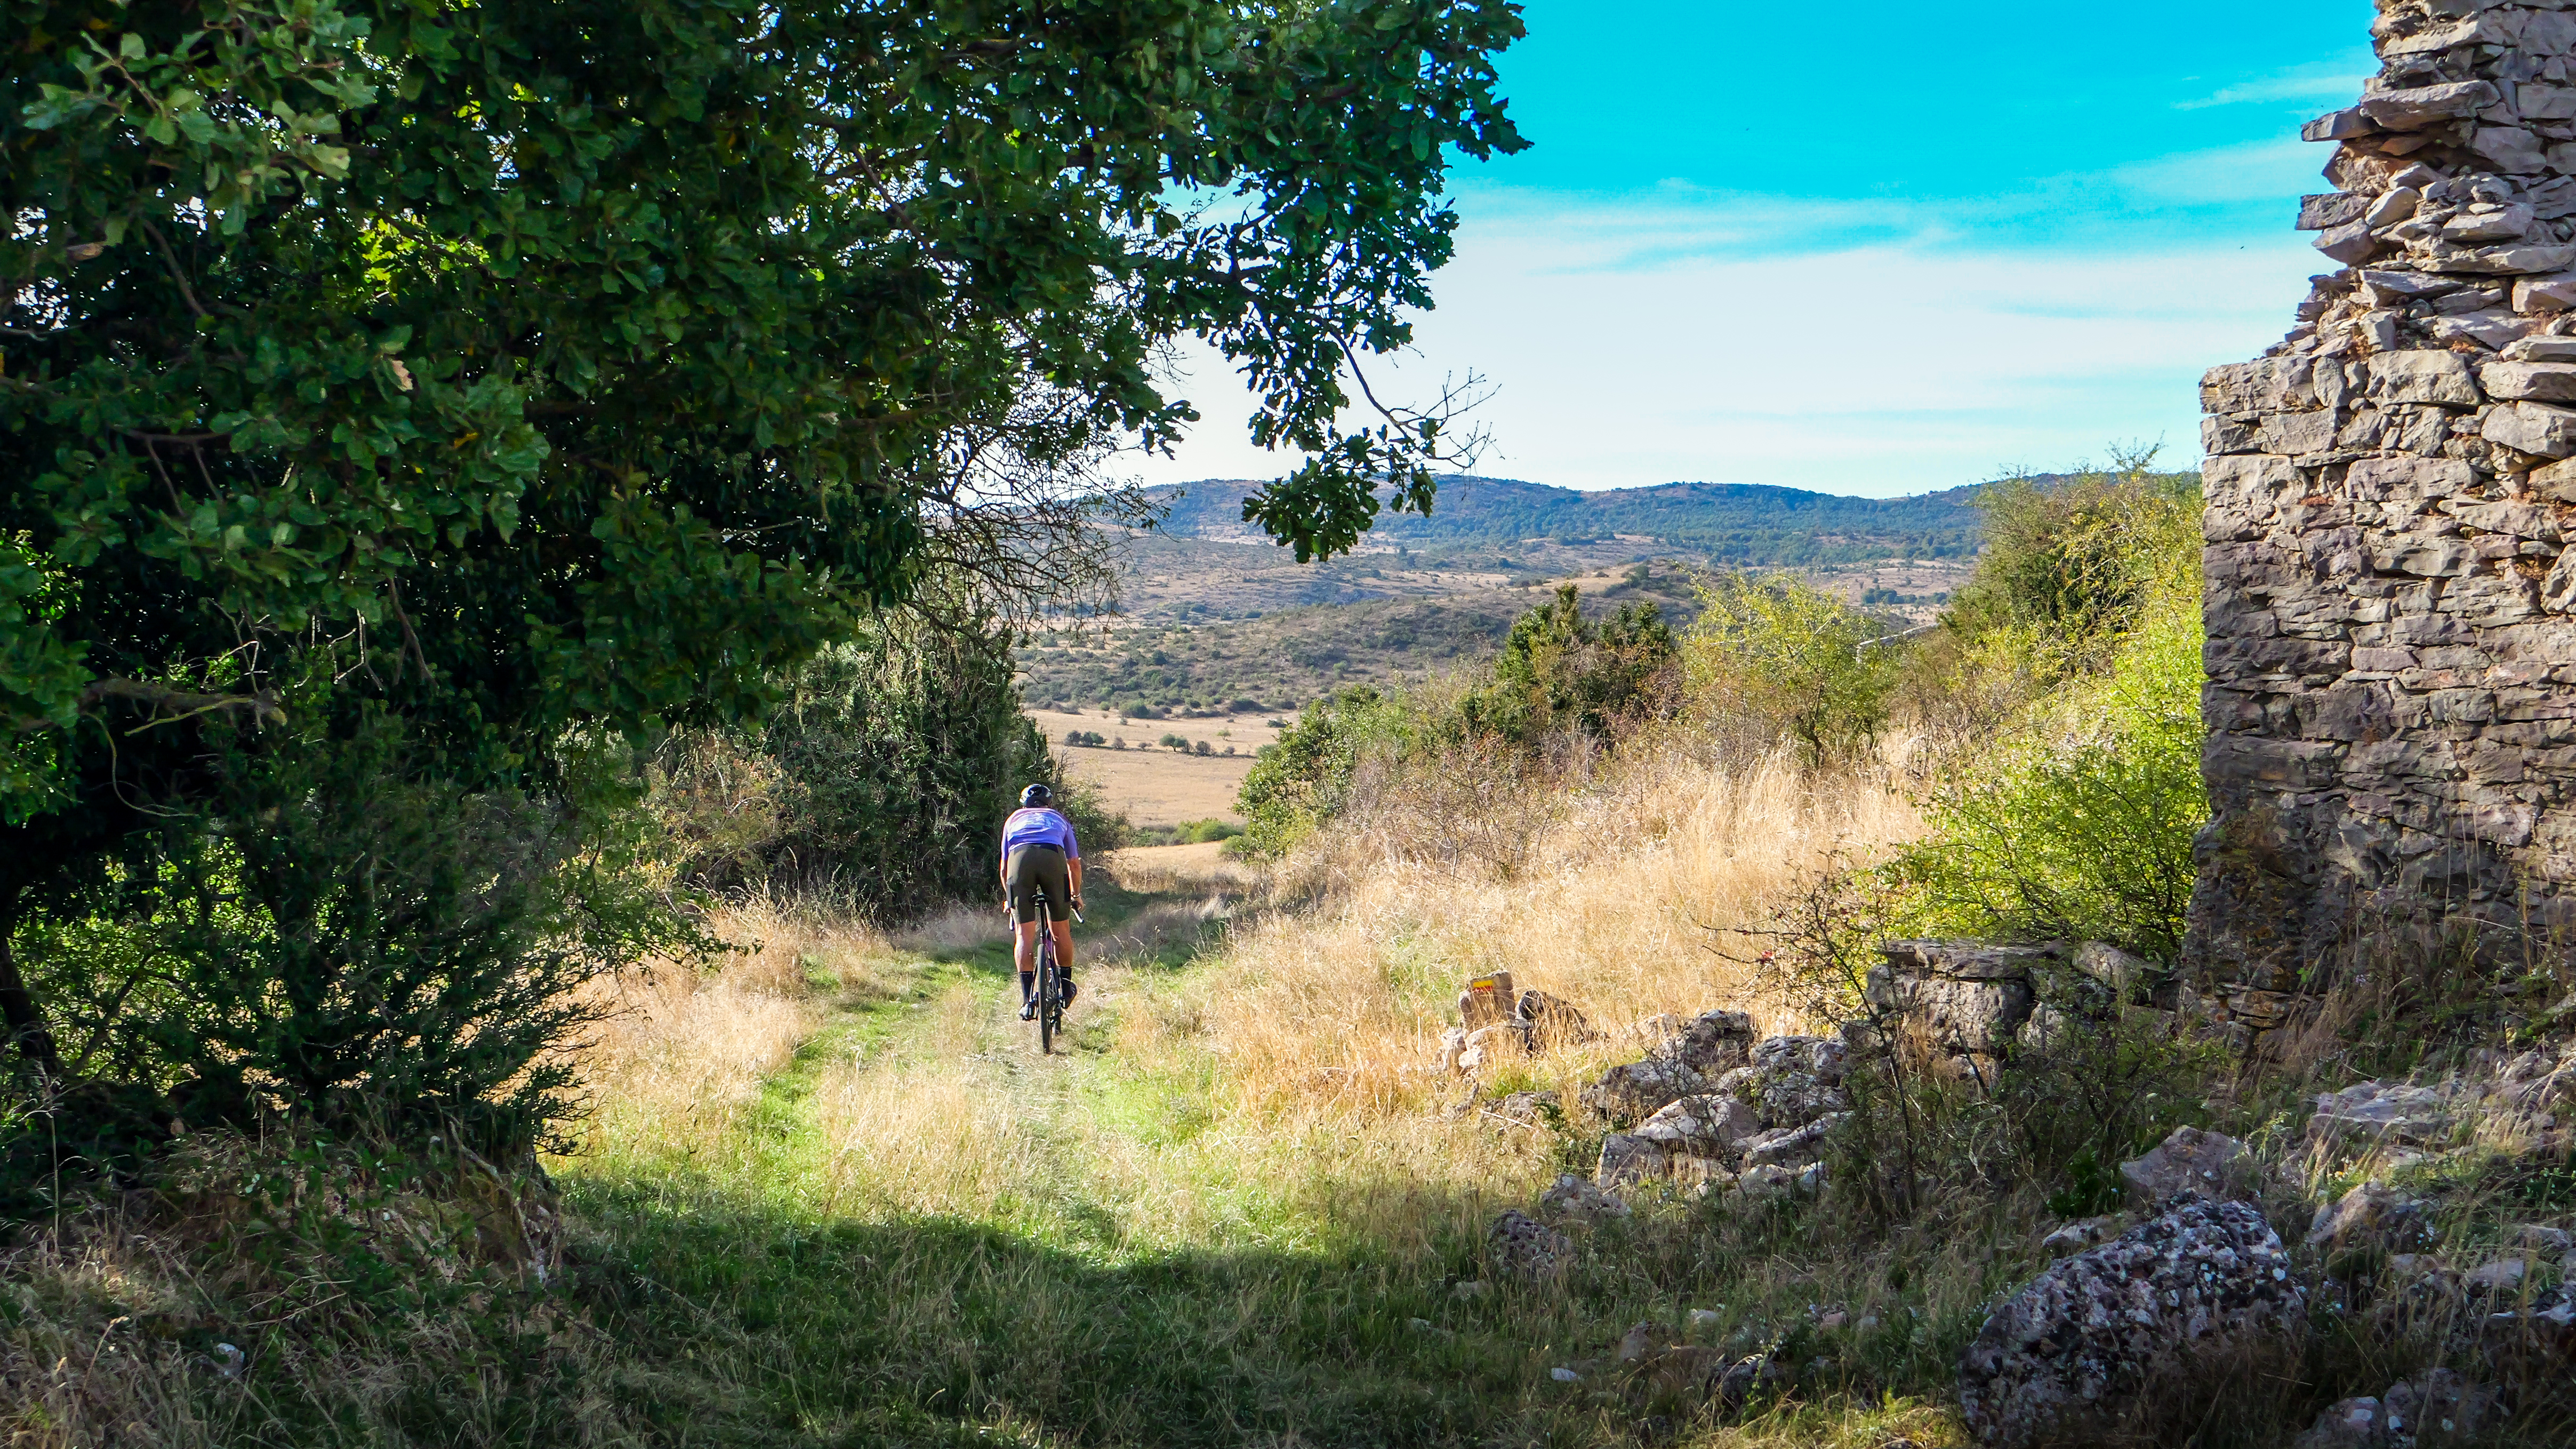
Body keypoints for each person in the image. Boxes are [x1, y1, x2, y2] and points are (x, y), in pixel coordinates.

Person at [999, 783, 1082, 1020]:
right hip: (1052, 859)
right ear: (1049, 803)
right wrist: (1075, 895)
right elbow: (1074, 863)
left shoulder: (1013, 820)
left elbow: (1004, 868)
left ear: (1023, 803)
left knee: (1024, 936)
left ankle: (1027, 1002)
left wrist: (1009, 898)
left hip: (1020, 860)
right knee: (1060, 931)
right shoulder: (1059, 819)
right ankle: (1065, 990)